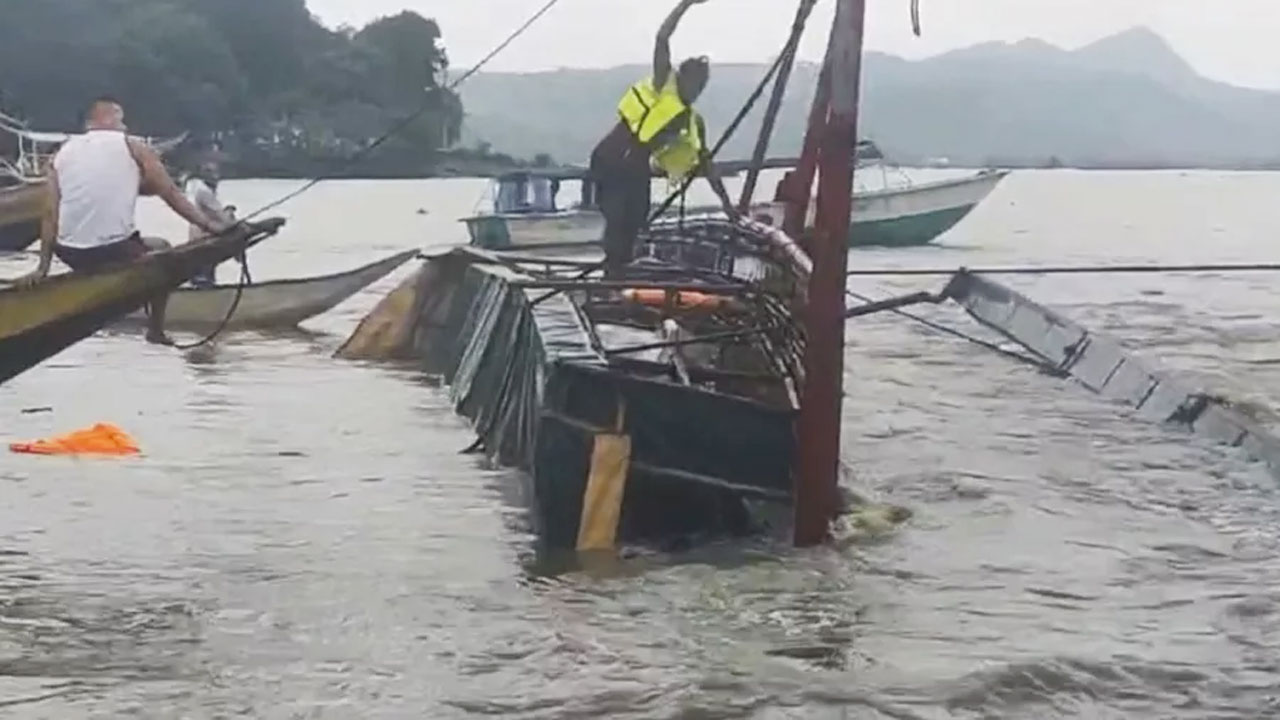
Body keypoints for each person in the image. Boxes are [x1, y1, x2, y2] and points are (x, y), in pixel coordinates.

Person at [16, 97, 229, 345]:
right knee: (163, 249)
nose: (125, 126)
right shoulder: (133, 146)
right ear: (103, 118)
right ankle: (155, 329)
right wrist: (211, 227)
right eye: (121, 119)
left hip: (69, 252)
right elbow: (170, 193)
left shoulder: (61, 154)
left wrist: (43, 267)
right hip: (113, 249)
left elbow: (50, 213)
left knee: (138, 248)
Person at [589, 0, 735, 278]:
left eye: (703, 86)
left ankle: (621, 278)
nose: (698, 90)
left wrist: (730, 210)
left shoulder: (693, 121)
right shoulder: (662, 83)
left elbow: (709, 166)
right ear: (682, 77)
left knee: (636, 223)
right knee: (618, 222)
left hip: (636, 169)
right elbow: (662, 37)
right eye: (695, 83)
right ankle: (611, 278)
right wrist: (686, 4)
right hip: (611, 159)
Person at [183, 157, 237, 288]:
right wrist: (230, 212)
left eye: (216, 172)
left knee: (197, 273)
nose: (216, 176)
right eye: (212, 173)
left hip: (194, 238)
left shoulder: (192, 186)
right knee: (205, 273)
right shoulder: (204, 191)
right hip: (205, 239)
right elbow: (223, 217)